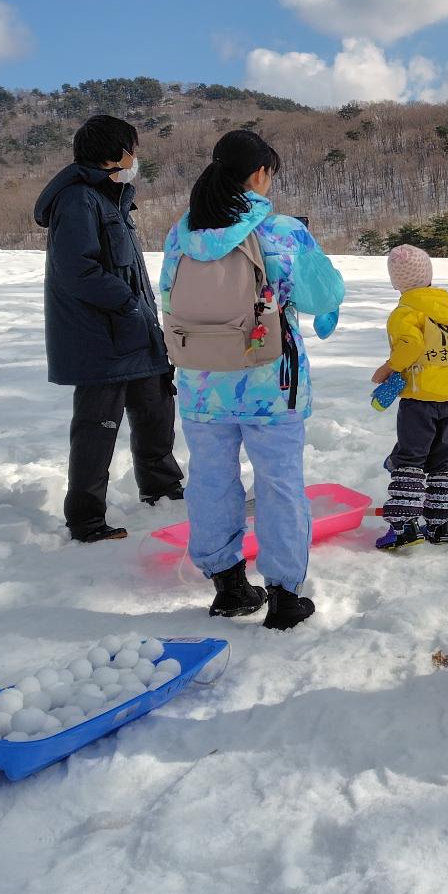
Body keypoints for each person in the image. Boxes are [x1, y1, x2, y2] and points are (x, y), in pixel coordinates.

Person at [159, 130, 344, 630]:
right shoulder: (280, 229)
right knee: (279, 482)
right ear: (259, 174)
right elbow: (320, 294)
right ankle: (285, 594)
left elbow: (169, 298)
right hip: (268, 380)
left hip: (200, 378)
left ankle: (229, 586)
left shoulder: (181, 233)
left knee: (211, 477)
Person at [34, 114, 182, 544]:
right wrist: (127, 302)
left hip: (135, 332)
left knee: (156, 408)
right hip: (102, 338)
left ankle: (164, 491)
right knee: (97, 429)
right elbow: (77, 269)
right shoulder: (78, 201)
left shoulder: (110, 198)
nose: (136, 157)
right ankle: (86, 520)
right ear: (113, 154)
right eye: (132, 148)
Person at [371, 244, 448, 551]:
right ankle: (440, 525)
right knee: (442, 458)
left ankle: (403, 527)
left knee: (409, 459)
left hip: (417, 400)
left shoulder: (404, 312)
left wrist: (389, 368)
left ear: (397, 283)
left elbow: (411, 345)